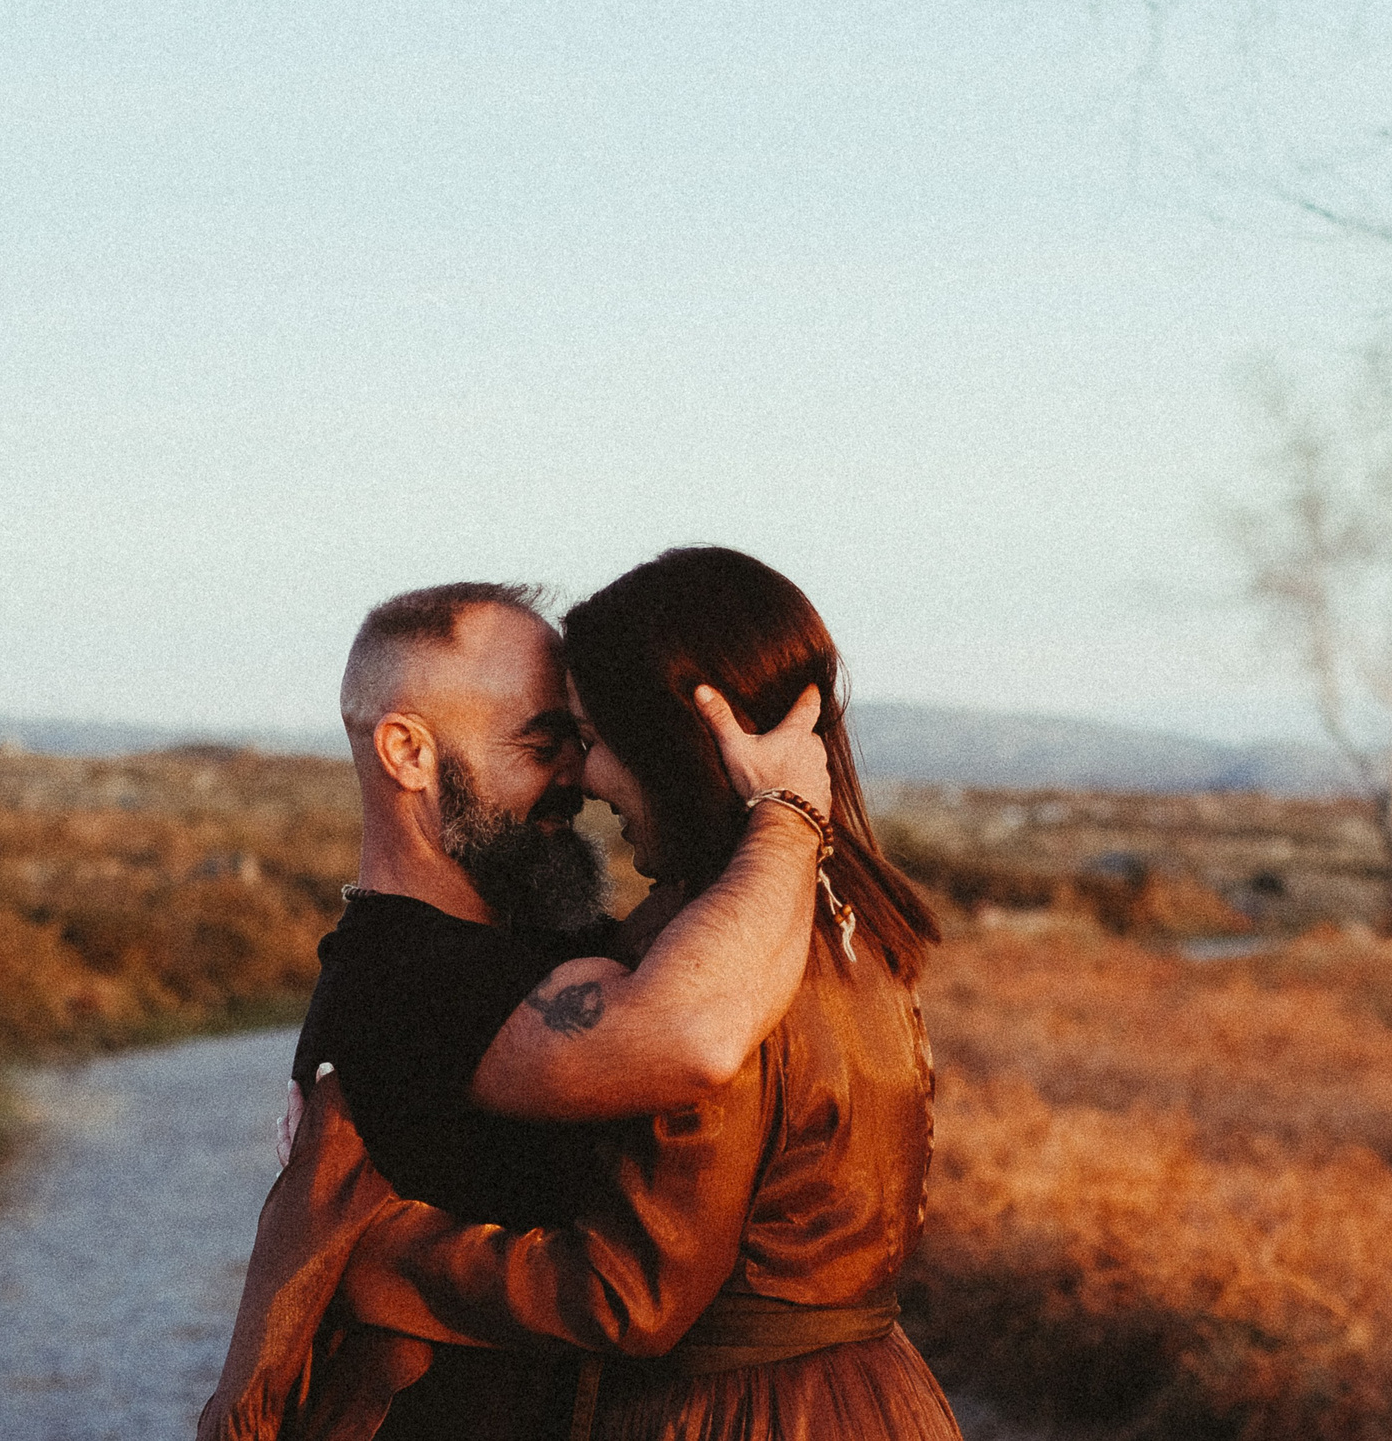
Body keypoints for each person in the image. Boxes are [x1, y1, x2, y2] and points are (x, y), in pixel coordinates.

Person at [207, 550, 963, 1441]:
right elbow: (686, 1038)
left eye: (586, 739)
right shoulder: (404, 977)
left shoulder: (676, 940)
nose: (581, 777)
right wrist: (790, 817)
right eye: (544, 744)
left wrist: (367, 1247)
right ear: (408, 752)